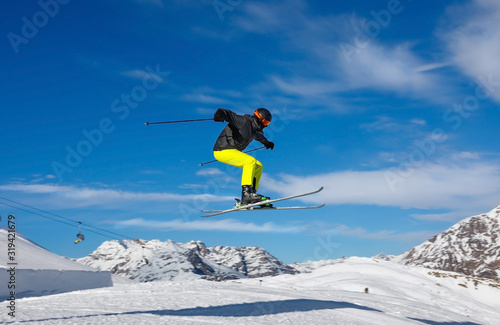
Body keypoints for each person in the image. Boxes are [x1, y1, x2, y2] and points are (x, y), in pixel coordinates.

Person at [213, 107, 275, 206]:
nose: (265, 125)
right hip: (222, 149)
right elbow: (227, 113)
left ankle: (252, 194)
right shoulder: (244, 121)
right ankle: (247, 195)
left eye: (268, 123)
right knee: (250, 161)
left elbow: (260, 137)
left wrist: (267, 143)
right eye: (265, 122)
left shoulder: (256, 130)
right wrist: (219, 114)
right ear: (259, 118)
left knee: (258, 165)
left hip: (232, 150)